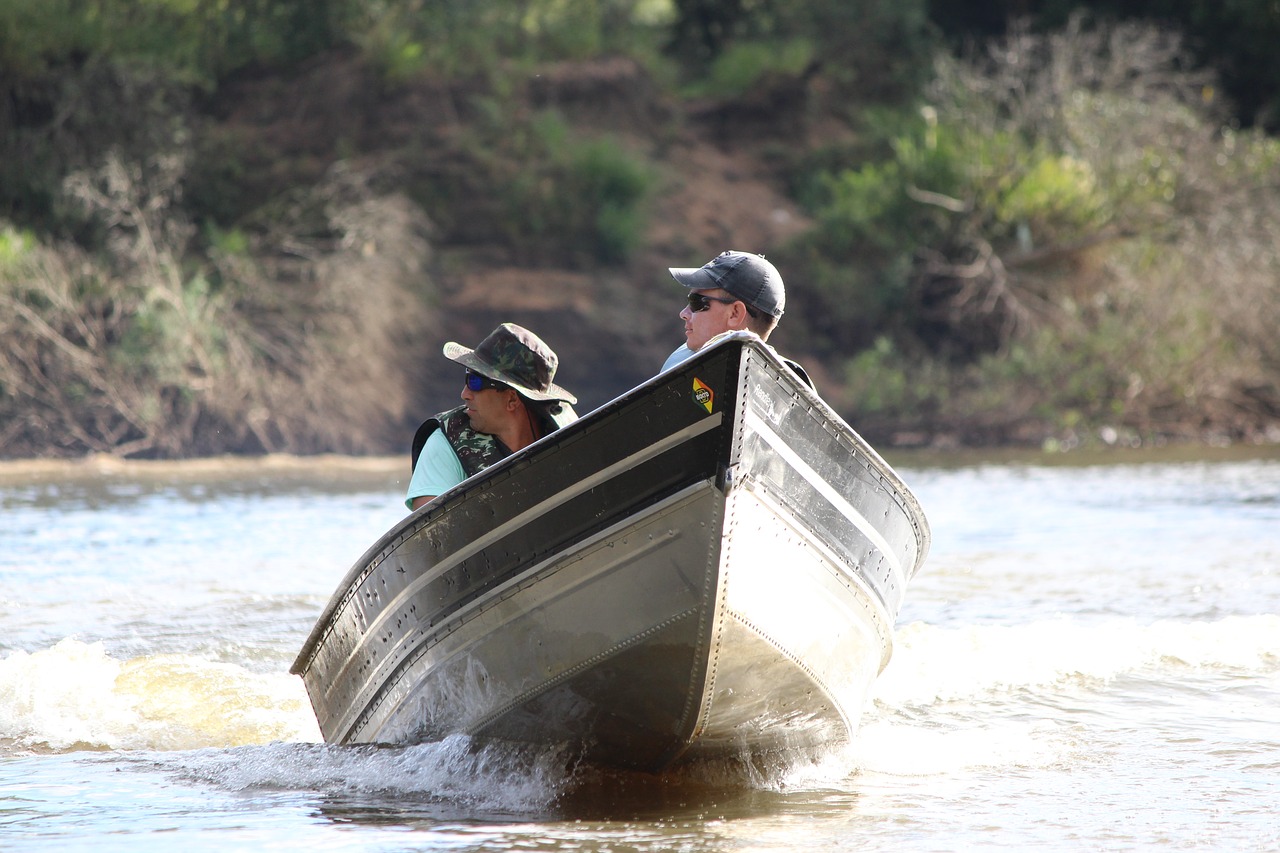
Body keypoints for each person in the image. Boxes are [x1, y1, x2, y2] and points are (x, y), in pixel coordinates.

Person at [405, 323, 578, 511]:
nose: (465, 394)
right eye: (467, 377)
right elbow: (431, 531)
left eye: (476, 382)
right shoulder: (444, 443)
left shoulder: (571, 437)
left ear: (512, 399)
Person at [661, 250, 813, 388]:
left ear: (735, 313)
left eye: (696, 302)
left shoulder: (791, 383)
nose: (683, 313)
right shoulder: (680, 358)